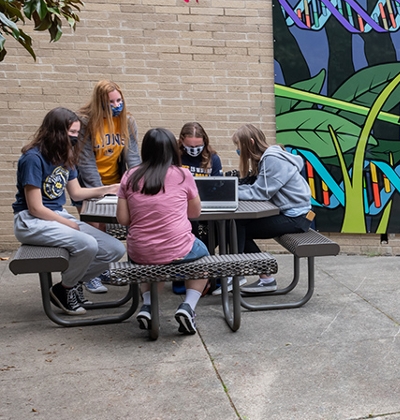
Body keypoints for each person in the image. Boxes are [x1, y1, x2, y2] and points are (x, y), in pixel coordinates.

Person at [13, 108, 126, 314]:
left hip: (56, 217)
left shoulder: (64, 154)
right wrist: (69, 224)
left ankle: (69, 285)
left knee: (115, 249)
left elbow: (76, 192)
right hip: (30, 221)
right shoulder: (33, 159)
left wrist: (108, 188)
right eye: (72, 133)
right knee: (87, 244)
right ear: (56, 132)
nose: (75, 137)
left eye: (76, 132)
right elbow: (35, 207)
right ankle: (66, 290)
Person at [116, 128, 211, 335]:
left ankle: (148, 306)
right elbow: (195, 213)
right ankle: (188, 307)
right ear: (172, 150)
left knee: (150, 261)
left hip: (139, 250)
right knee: (203, 256)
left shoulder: (130, 176)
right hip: (177, 248)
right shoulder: (182, 174)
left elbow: (123, 219)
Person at [231, 124, 313, 293]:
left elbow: (260, 192)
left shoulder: (272, 159)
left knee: (237, 226)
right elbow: (256, 186)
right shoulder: (265, 159)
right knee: (236, 226)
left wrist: (229, 192)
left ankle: (236, 274)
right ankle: (261, 277)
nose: (237, 150)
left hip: (297, 218)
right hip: (291, 213)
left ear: (250, 142)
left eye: (238, 146)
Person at [76, 80, 140, 294]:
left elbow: (133, 157)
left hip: (116, 182)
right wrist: (101, 192)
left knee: (113, 229)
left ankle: (101, 269)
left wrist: (137, 185)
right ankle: (90, 275)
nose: (116, 105)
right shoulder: (85, 122)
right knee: (97, 229)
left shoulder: (127, 121)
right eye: (111, 102)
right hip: (89, 185)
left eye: (119, 100)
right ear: (99, 103)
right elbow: (85, 162)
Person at [175, 122, 223, 294]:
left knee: (208, 241)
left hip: (206, 209)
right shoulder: (176, 158)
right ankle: (183, 280)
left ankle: (208, 279)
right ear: (181, 142)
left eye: (198, 146)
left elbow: (219, 185)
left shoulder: (213, 158)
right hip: (181, 210)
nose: (194, 149)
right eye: (190, 146)